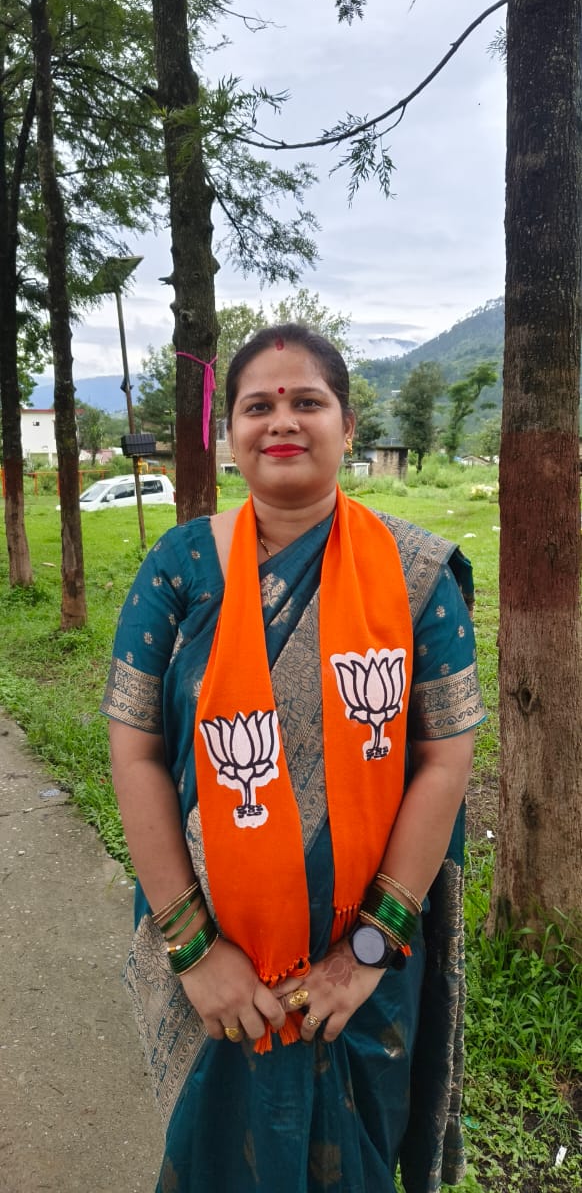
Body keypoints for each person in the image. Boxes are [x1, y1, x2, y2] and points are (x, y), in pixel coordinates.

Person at [101, 324, 486, 1193]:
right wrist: (195, 950)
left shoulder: (418, 577)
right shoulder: (180, 569)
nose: (282, 421)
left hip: (366, 975)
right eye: (258, 406)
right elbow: (136, 754)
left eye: (307, 401)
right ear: (230, 433)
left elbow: (444, 763)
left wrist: (368, 952)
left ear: (348, 427)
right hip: (215, 964)